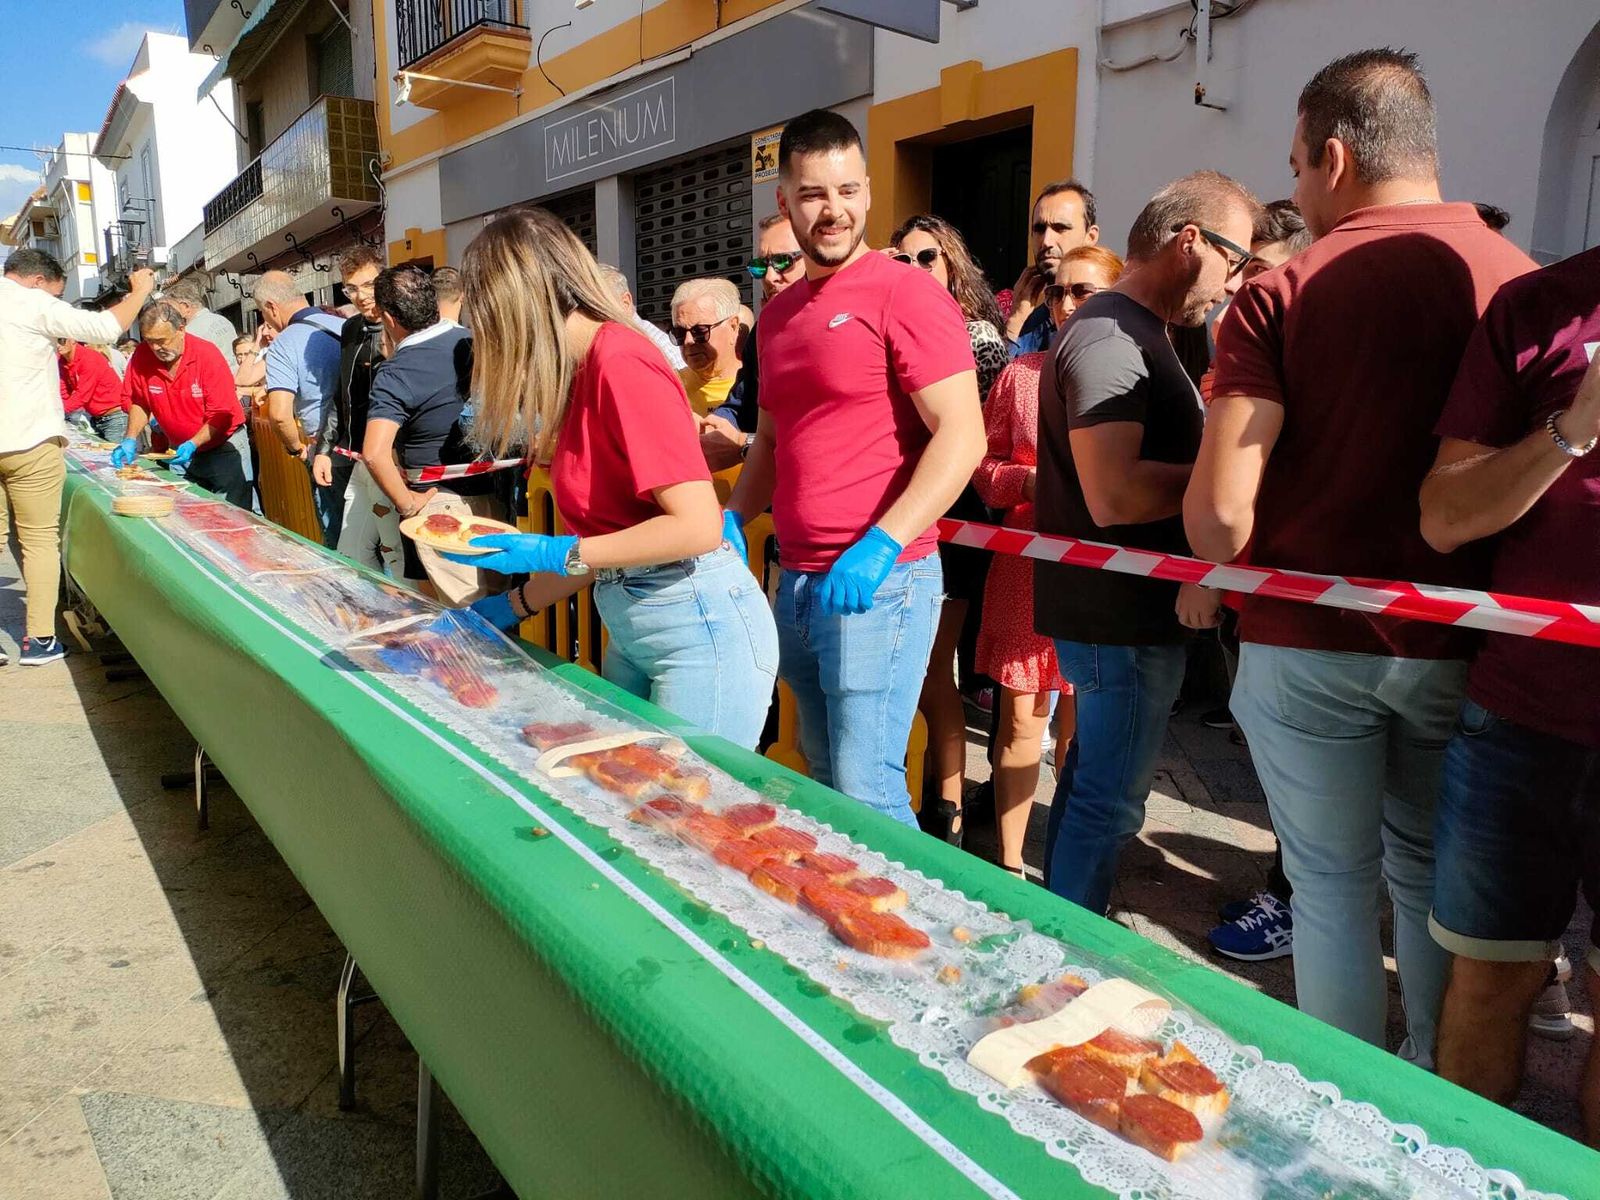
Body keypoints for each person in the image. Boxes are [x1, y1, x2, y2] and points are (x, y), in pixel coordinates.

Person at [1183, 49, 1536, 1066]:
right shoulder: (1520, 281)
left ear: (1334, 158)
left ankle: (1347, 1108)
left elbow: (1222, 519)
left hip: (1307, 643)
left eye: (1296, 167)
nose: (1296, 191)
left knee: (1330, 888)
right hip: (1469, 643)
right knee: (1429, 883)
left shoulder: (1284, 291)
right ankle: (1432, 1082)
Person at [724, 110, 985, 825]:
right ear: (785, 201)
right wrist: (734, 516)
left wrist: (883, 542)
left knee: (868, 790)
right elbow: (771, 442)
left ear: (868, 191)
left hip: (883, 582)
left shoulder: (908, 293)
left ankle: (911, 904)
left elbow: (963, 435)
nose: (832, 210)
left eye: (846, 190)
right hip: (799, 580)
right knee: (822, 771)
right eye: (813, 193)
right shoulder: (777, 318)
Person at [441, 207, 778, 749]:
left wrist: (555, 553)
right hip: (639, 629)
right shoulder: (580, 372)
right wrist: (509, 607)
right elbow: (609, 545)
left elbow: (697, 527)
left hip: (698, 635)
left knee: (682, 799)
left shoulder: (620, 361)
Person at [1416, 247, 1600, 1142]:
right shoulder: (1540, 308)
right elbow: (1444, 518)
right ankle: (1460, 1173)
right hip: (1522, 721)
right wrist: (1575, 428)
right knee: (1487, 981)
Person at [975, 244, 1124, 875]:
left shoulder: (1133, 376)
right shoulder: (1021, 375)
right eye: (1058, 291)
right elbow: (982, 469)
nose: (1066, 303)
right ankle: (1009, 865)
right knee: (1018, 725)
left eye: (1083, 291)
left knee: (1082, 736)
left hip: (1101, 575)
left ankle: (1068, 870)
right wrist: (1026, 482)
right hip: (1026, 569)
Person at [1202, 198, 1314, 964]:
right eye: (1244, 274)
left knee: (1299, 779)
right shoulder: (1240, 351)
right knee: (1272, 768)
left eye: (1266, 274)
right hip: (1247, 595)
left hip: (1293, 603)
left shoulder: (1306, 362)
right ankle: (1288, 889)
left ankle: (1296, 904)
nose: (1250, 291)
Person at [888, 213, 1008, 842]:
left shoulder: (977, 335)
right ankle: (936, 794)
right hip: (913, 513)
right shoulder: (893, 323)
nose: (914, 268)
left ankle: (949, 810)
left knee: (935, 673)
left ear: (952, 263)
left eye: (927, 257)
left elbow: (960, 434)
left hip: (957, 518)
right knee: (922, 673)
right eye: (901, 259)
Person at [0, 249, 154, 664]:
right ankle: (39, 640)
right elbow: (105, 327)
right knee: (38, 540)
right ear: (37, 281)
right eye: (56, 294)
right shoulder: (31, 302)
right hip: (29, 440)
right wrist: (140, 291)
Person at [357, 265, 492, 602]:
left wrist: (408, 505)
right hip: (492, 494)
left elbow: (374, 453)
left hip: (437, 507)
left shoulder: (397, 371)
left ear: (389, 318)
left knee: (465, 617)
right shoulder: (473, 343)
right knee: (491, 606)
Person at [111, 302, 251, 509]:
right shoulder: (142, 356)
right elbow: (140, 402)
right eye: (149, 341)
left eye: (162, 341)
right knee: (187, 512)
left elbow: (221, 413)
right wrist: (130, 438)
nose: (156, 348)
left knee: (233, 513)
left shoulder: (206, 355)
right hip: (178, 452)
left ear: (181, 330)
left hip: (222, 447)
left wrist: (194, 443)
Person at [312, 245, 399, 576]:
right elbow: (341, 395)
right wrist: (323, 450)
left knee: (395, 555)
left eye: (368, 285)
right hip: (359, 460)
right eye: (351, 288)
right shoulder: (350, 328)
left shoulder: (404, 324)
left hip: (393, 461)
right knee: (351, 552)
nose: (361, 296)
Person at [255, 270, 349, 545]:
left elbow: (279, 415)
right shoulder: (344, 325)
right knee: (379, 540)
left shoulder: (284, 343)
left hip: (327, 454)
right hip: (368, 445)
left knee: (339, 539)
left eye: (263, 313)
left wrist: (297, 449)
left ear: (271, 307)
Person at [1005, 180, 1101, 356]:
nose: (1046, 241)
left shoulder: (1113, 315)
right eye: (1039, 229)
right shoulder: (1027, 323)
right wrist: (1016, 319)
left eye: (1060, 228)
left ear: (1091, 236)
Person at [670, 277, 752, 472]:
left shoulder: (759, 386)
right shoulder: (667, 387)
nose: (688, 341)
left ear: (733, 327)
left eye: (700, 331)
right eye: (679, 333)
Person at [58, 338, 128, 442]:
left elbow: (83, 395)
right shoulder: (62, 361)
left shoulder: (89, 358)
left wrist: (58, 411)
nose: (58, 345)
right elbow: (63, 391)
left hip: (115, 417)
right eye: (53, 341)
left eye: (61, 340)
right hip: (96, 418)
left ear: (72, 340)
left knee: (115, 452)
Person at [163, 279, 240, 370]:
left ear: (185, 307)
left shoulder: (189, 333)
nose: (169, 314)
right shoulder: (223, 320)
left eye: (171, 309)